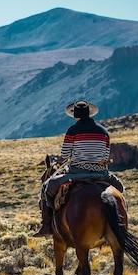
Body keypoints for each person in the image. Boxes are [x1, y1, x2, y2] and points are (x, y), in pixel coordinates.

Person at [34, 100, 125, 237]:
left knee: (47, 187)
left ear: (75, 116)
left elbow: (65, 154)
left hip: (77, 172)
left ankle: (47, 225)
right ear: (89, 114)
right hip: (101, 173)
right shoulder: (104, 131)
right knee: (120, 188)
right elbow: (106, 154)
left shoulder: (73, 130)